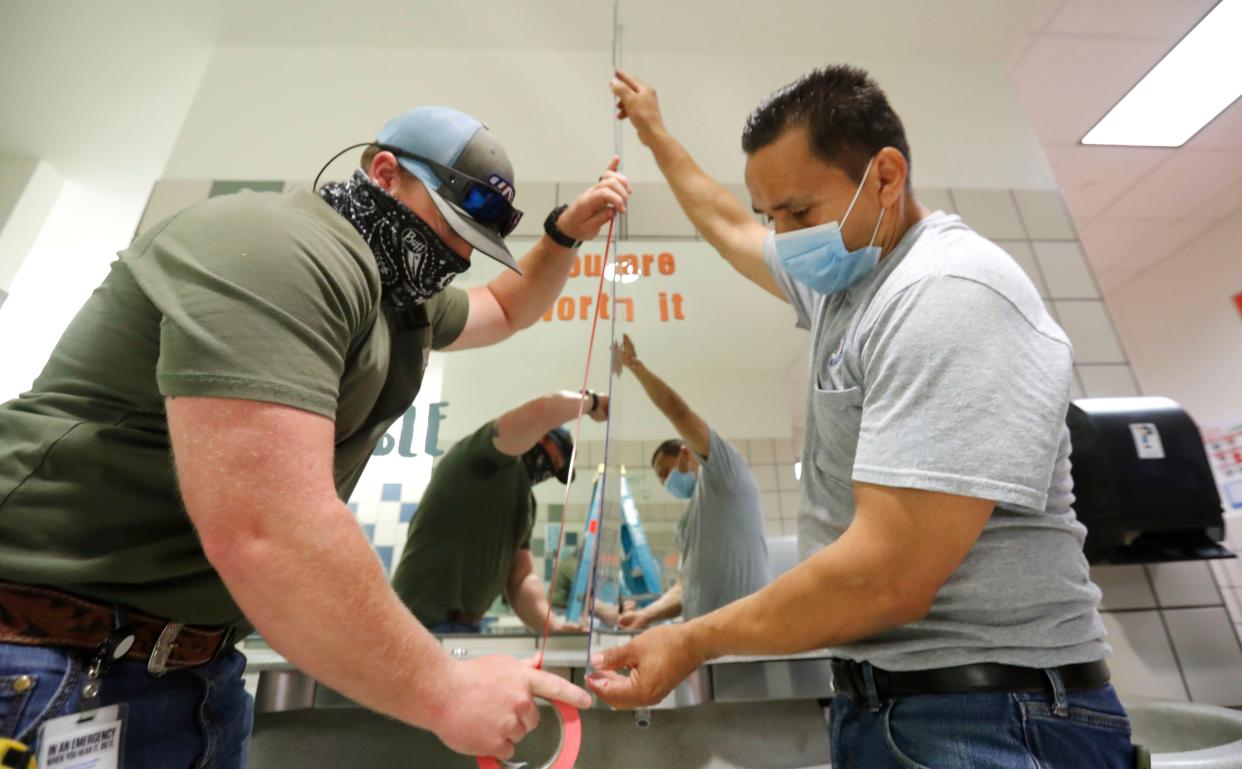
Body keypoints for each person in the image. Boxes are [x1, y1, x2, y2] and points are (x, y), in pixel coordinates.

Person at [0, 105, 632, 766]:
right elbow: (267, 530)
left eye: (476, 240)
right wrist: (447, 690)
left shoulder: (398, 301)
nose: (460, 254)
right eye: (453, 224)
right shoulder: (280, 249)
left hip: (194, 672)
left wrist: (563, 234)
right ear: (384, 172)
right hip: (45, 658)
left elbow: (504, 306)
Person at [590, 68, 1131, 768]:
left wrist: (692, 638)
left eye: (798, 213)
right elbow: (725, 226)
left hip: (988, 713)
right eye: (771, 218)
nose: (781, 238)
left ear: (884, 177)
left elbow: (887, 575)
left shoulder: (944, 292)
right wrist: (654, 130)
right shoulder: (844, 285)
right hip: (891, 704)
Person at [391, 389, 610, 634]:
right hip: (413, 621)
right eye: (551, 457)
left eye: (555, 469)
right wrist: (592, 402)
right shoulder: (482, 454)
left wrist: (554, 628)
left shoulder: (526, 501)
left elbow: (521, 579)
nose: (547, 469)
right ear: (539, 437)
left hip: (466, 628)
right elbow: (541, 412)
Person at [614, 334, 769, 631]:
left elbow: (680, 412)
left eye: (665, 471)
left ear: (687, 454)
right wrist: (647, 615)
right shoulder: (691, 520)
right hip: (703, 646)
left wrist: (635, 367)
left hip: (747, 641)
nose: (665, 482)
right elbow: (688, 586)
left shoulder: (726, 476)